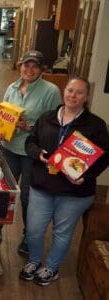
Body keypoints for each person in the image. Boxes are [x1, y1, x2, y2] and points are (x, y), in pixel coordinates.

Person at [19, 77, 109, 286]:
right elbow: (30, 141)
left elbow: (105, 156)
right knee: (34, 229)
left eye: (79, 92)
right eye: (70, 90)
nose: (73, 96)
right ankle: (33, 261)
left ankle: (51, 267)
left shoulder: (95, 125)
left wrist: (86, 175)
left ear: (86, 97)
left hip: (75, 192)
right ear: (64, 92)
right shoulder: (47, 118)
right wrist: (37, 153)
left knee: (62, 231)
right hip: (42, 185)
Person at [0, 50, 62, 253]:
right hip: (9, 147)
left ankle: (28, 237)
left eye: (35, 66)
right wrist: (1, 128)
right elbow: (4, 113)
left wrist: (29, 127)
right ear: (20, 66)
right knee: (3, 191)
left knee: (27, 196)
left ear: (42, 69)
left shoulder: (50, 91)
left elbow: (56, 125)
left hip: (32, 152)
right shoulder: (12, 88)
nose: (30, 70)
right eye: (26, 65)